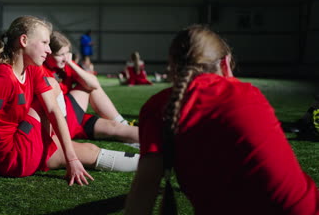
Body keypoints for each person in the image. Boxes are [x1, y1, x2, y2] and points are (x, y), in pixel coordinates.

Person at [0, 16, 139, 193]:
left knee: (88, 151)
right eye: (45, 43)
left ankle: (156, 161)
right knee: (52, 91)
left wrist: (71, 158)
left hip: (26, 138)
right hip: (11, 158)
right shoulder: (1, 78)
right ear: (23, 40)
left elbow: (54, 111)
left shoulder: (32, 70)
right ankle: (155, 159)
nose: (49, 50)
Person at [125, 25, 319, 214]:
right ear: (225, 63)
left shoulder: (157, 107)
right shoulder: (248, 93)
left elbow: (145, 187)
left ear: (173, 68)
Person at [43, 31, 139, 144]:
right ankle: (121, 121)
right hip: (60, 121)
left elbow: (94, 83)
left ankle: (126, 124)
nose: (66, 58)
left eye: (68, 53)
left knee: (115, 127)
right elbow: (92, 86)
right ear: (48, 53)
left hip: (74, 118)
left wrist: (72, 64)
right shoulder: (41, 69)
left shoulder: (66, 65)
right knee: (86, 87)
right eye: (60, 54)